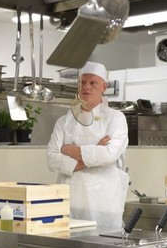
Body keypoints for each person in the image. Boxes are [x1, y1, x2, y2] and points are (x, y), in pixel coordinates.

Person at [47, 62, 129, 231]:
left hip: (104, 203)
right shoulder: (64, 121)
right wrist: (94, 150)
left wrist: (69, 150)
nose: (86, 87)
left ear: (104, 87)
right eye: (82, 83)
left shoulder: (116, 118)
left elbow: (109, 155)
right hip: (71, 200)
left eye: (93, 83)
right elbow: (52, 159)